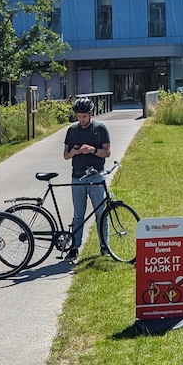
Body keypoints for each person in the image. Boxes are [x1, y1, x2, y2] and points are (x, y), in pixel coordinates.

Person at [63, 97, 112, 262]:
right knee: (78, 215)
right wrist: (75, 152)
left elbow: (107, 152)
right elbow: (65, 155)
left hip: (96, 176)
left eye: (84, 116)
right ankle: (75, 247)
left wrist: (92, 150)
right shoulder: (72, 130)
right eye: (79, 116)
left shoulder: (100, 129)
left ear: (90, 114)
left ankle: (104, 246)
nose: (81, 119)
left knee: (101, 213)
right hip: (77, 177)